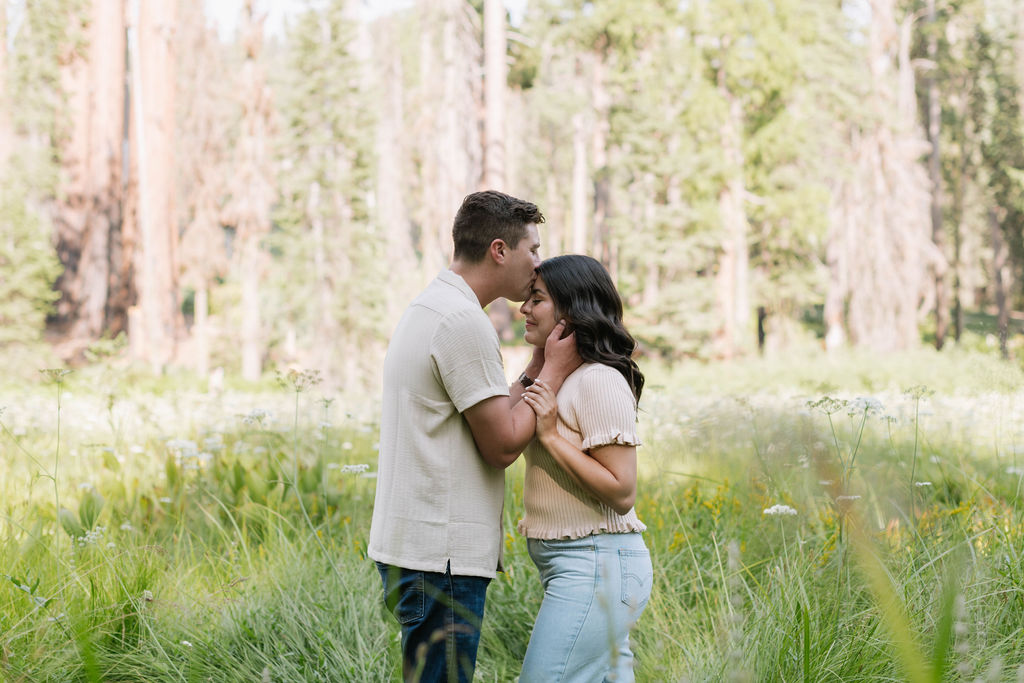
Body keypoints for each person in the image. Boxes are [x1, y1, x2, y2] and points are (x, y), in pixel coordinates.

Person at [368, 190, 581, 683]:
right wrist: (554, 369)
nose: (538, 264)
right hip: (439, 557)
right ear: (500, 250)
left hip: (418, 548)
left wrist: (531, 368)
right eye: (534, 250)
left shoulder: (434, 305)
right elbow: (503, 444)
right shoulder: (464, 321)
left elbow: (480, 411)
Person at [517, 254, 653, 683]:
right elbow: (505, 426)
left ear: (569, 313)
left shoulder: (599, 380)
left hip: (596, 565)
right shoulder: (557, 378)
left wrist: (553, 436)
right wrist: (539, 368)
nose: (523, 309)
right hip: (579, 566)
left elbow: (621, 490)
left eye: (536, 299)